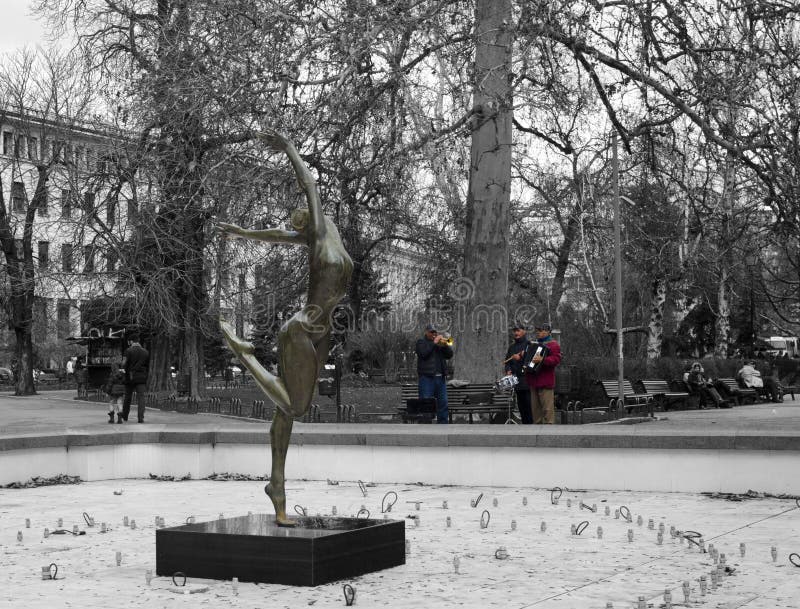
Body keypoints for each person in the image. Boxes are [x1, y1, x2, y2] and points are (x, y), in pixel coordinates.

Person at [218, 130, 353, 527]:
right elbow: (307, 184)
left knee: (287, 412)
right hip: (301, 329)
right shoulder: (320, 244)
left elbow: (284, 230)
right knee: (296, 405)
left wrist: (246, 232)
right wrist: (291, 149)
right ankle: (242, 353)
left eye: (299, 221)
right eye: (297, 222)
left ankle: (277, 485)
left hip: (322, 331)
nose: (295, 224)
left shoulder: (330, 240)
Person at [415, 324, 454, 424]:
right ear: (426, 332)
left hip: (440, 379)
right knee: (426, 404)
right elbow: (423, 354)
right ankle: (425, 427)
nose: (434, 334)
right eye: (432, 332)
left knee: (443, 403)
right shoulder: (421, 342)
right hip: (427, 378)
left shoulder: (440, 344)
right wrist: (434, 343)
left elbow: (450, 355)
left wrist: (445, 345)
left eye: (435, 332)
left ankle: (443, 426)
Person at [525, 322, 562, 424]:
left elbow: (556, 359)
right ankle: (537, 433)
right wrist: (522, 355)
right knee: (535, 411)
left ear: (548, 332)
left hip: (545, 381)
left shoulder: (553, 345)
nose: (538, 333)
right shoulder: (533, 344)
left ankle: (549, 434)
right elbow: (527, 358)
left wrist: (542, 360)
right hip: (533, 381)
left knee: (547, 411)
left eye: (541, 331)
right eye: (537, 331)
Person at [504, 323, 533, 424]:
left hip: (527, 380)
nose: (516, 333)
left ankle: (531, 426)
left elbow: (531, 362)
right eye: (514, 331)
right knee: (521, 406)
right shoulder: (511, 347)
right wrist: (508, 370)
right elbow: (507, 361)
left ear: (524, 331)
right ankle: (525, 426)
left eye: (518, 330)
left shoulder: (529, 345)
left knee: (529, 405)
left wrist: (520, 358)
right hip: (516, 381)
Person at [122, 332, 149, 423]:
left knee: (128, 397)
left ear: (131, 341)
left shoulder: (128, 351)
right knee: (141, 398)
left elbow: (123, 363)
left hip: (130, 377)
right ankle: (140, 418)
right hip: (141, 377)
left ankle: (125, 416)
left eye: (129, 341)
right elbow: (147, 366)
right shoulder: (145, 352)